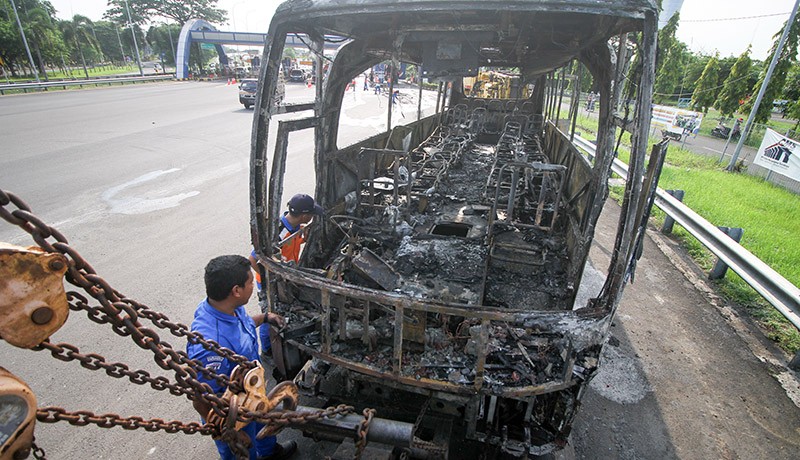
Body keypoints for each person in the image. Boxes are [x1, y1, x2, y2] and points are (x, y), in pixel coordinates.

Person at [187, 255, 296, 460]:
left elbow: (243, 325)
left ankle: (270, 453)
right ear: (236, 291)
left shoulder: (225, 306)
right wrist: (233, 432)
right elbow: (200, 398)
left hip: (252, 393)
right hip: (231, 417)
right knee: (244, 453)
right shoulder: (210, 346)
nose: (253, 285)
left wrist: (265, 318)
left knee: (263, 424)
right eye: (250, 282)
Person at [277, 194, 324, 264]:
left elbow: (289, 244)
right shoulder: (279, 234)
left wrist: (303, 240)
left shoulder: (296, 226)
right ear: (304, 217)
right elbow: (254, 258)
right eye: (312, 215)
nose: (312, 217)